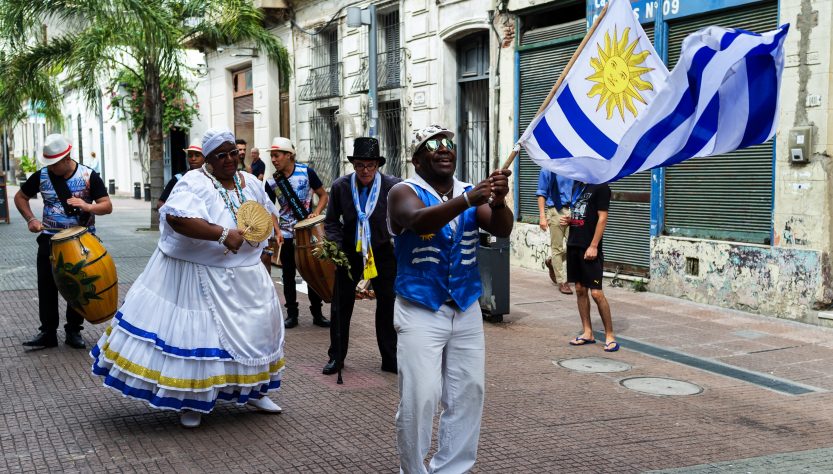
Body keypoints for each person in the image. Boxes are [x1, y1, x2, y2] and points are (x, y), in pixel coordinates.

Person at [90, 128, 285, 428]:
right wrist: (221, 234)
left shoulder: (250, 183)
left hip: (247, 272)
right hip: (201, 273)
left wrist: (270, 233)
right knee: (198, 335)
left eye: (233, 153)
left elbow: (264, 211)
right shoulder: (194, 182)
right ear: (208, 159)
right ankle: (190, 401)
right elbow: (175, 218)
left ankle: (255, 390)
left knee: (258, 330)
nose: (230, 160)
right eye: (222, 156)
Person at [388, 125, 513, 473]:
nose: (444, 149)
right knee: (421, 397)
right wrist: (470, 200)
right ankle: (413, 470)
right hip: (420, 308)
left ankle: (452, 468)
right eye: (433, 145)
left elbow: (501, 228)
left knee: (468, 392)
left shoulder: (470, 191)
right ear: (416, 159)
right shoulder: (403, 191)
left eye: (448, 144)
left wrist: (499, 201)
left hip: (465, 306)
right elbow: (416, 220)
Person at [14, 134, 113, 350]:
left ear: (67, 157)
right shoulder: (41, 176)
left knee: (78, 287)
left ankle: (73, 331)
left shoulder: (89, 175)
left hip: (81, 241)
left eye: (54, 164)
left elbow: (106, 206)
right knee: (46, 287)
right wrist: (31, 219)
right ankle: (48, 333)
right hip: (49, 240)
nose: (51, 168)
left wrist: (88, 207)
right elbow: (20, 197)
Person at [321, 137, 401, 376]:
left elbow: (403, 217)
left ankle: (390, 358)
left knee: (388, 304)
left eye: (370, 166)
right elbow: (332, 221)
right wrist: (335, 247)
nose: (365, 171)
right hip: (349, 251)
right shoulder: (341, 186)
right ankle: (336, 357)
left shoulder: (393, 186)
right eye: (360, 165)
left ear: (378, 165)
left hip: (383, 251)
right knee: (340, 305)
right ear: (353, 165)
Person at [264, 137, 330, 329]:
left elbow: (323, 195)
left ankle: (317, 313)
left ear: (289, 156)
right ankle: (292, 314)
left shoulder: (306, 172)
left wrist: (316, 213)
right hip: (285, 234)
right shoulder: (272, 182)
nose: (274, 160)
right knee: (288, 275)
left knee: (312, 271)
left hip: (307, 232)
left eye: (277, 156)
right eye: (272, 156)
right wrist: (276, 230)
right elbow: (269, 209)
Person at [560, 181, 618, 352]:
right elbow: (583, 215)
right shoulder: (578, 187)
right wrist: (570, 220)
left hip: (590, 247)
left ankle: (610, 336)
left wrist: (593, 245)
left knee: (596, 293)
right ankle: (587, 332)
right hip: (574, 244)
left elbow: (602, 218)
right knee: (579, 289)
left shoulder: (601, 187)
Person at [536, 169, 574, 295]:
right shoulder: (547, 169)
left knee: (574, 246)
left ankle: (553, 262)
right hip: (555, 211)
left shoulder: (573, 167)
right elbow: (541, 193)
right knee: (556, 248)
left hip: (572, 211)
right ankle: (562, 281)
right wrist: (542, 216)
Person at [158, 143, 204, 208]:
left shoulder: (210, 179)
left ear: (204, 158)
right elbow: (160, 203)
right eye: (190, 155)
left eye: (197, 155)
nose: (193, 158)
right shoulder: (178, 178)